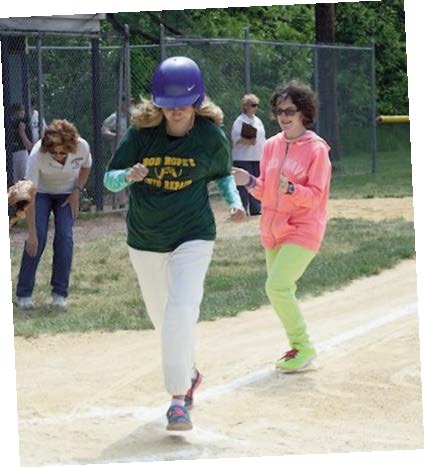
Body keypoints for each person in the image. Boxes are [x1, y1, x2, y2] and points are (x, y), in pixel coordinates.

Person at [104, 56, 245, 431]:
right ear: (159, 104)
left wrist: (233, 201)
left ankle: (178, 400)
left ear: (197, 102)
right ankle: (191, 373)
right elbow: (109, 180)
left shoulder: (209, 136)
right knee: (163, 322)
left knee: (181, 310)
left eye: (184, 105)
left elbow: (222, 175)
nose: (177, 112)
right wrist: (128, 176)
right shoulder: (141, 133)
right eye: (169, 106)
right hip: (146, 239)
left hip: (193, 235)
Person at [232, 80, 332, 372]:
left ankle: (304, 346)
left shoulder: (316, 150)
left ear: (304, 112)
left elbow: (316, 197)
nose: (283, 116)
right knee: (280, 289)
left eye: (290, 110)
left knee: (276, 286)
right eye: (278, 111)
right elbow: (266, 189)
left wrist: (292, 191)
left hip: (304, 228)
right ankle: (298, 347)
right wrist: (249, 181)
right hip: (272, 229)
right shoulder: (272, 145)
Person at [15, 119, 92, 310]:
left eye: (63, 152)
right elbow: (30, 193)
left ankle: (59, 294)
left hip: (66, 194)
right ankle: (24, 294)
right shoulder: (37, 154)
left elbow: (86, 167)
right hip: (40, 194)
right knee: (37, 239)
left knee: (65, 238)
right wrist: (31, 233)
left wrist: (76, 191)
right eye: (54, 152)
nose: (58, 155)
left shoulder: (82, 147)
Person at [231, 94, 266, 215]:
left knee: (255, 182)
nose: (255, 107)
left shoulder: (258, 120)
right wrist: (248, 140)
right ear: (246, 107)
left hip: (257, 157)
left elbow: (262, 138)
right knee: (242, 183)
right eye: (253, 105)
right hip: (243, 158)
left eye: (256, 105)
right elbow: (236, 139)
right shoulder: (240, 121)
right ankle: (241, 209)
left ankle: (256, 208)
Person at [101, 96, 133, 209]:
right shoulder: (114, 117)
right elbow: (104, 130)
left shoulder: (135, 116)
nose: (130, 104)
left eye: (131, 102)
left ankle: (133, 200)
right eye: (128, 102)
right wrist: (115, 136)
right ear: (121, 103)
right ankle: (121, 203)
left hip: (134, 149)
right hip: (119, 149)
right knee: (120, 173)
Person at [11, 103, 33, 183]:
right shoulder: (9, 124)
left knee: (24, 180)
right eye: (19, 111)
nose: (22, 112)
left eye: (22, 110)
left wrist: (22, 132)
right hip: (11, 154)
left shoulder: (24, 124)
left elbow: (29, 146)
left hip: (21, 153)